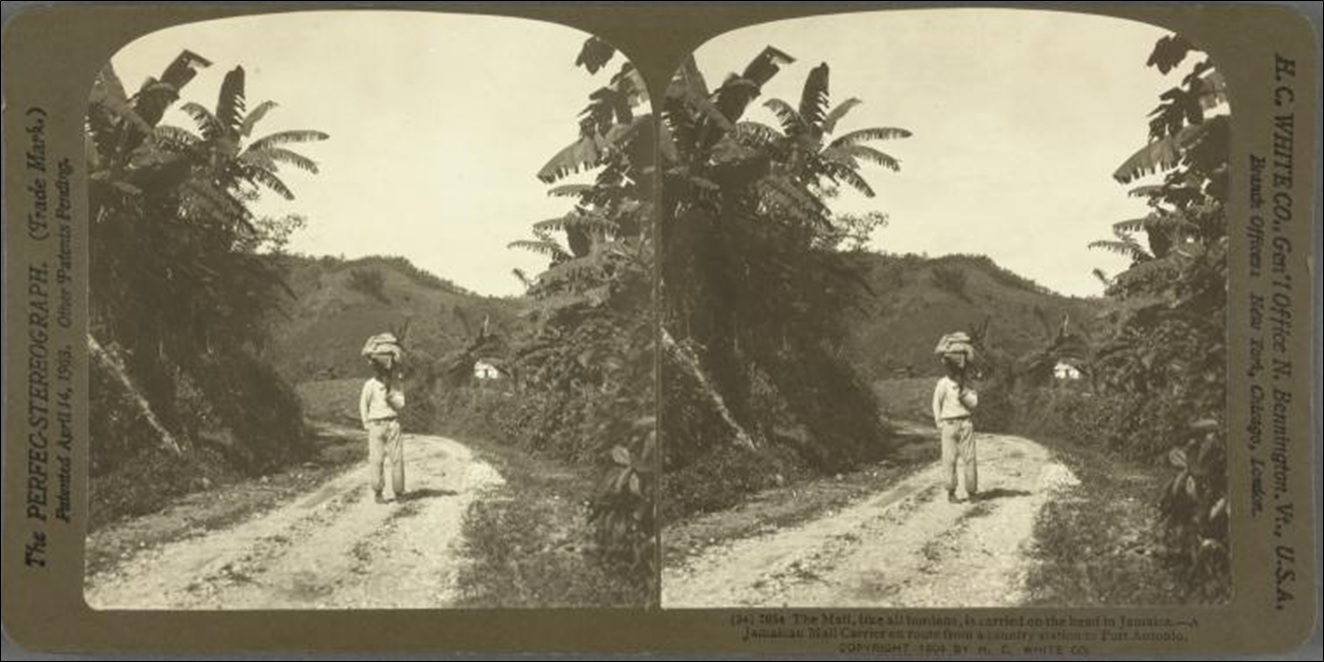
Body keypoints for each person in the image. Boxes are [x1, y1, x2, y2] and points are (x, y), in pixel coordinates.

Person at [932, 353, 979, 503]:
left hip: (966, 423)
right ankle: (951, 492)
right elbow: (936, 404)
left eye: (958, 369)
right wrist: (939, 423)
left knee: (970, 458)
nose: (955, 372)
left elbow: (974, 403)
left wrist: (962, 390)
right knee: (949, 459)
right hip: (949, 424)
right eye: (952, 369)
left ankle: (971, 492)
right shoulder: (943, 383)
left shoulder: (967, 384)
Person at [360, 355, 406, 503]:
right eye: (381, 370)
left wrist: (389, 392)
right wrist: (366, 423)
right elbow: (363, 405)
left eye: (386, 371)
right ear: (376, 370)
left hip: (393, 423)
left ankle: (399, 492)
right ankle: (378, 492)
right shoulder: (370, 385)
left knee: (397, 459)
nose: (384, 373)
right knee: (376, 460)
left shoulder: (396, 384)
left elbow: (400, 405)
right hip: (376, 425)